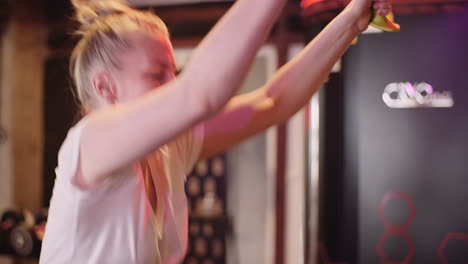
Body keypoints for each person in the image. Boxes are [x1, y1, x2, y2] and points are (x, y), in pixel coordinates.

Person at [39, 0, 392, 263]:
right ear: (105, 87)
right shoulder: (89, 142)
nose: (171, 84)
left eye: (174, 74)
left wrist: (351, 21)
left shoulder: (167, 149)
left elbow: (273, 102)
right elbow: (199, 94)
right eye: (156, 74)